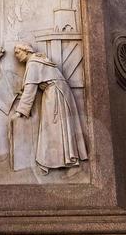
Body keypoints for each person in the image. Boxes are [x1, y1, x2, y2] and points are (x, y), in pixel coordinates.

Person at [8, 42, 88, 175]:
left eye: (18, 52)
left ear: (26, 50)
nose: (16, 56)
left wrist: (19, 112)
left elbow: (30, 91)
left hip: (55, 95)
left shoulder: (33, 63)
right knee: (58, 129)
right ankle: (60, 161)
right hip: (59, 93)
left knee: (53, 129)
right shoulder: (39, 60)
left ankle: (69, 164)